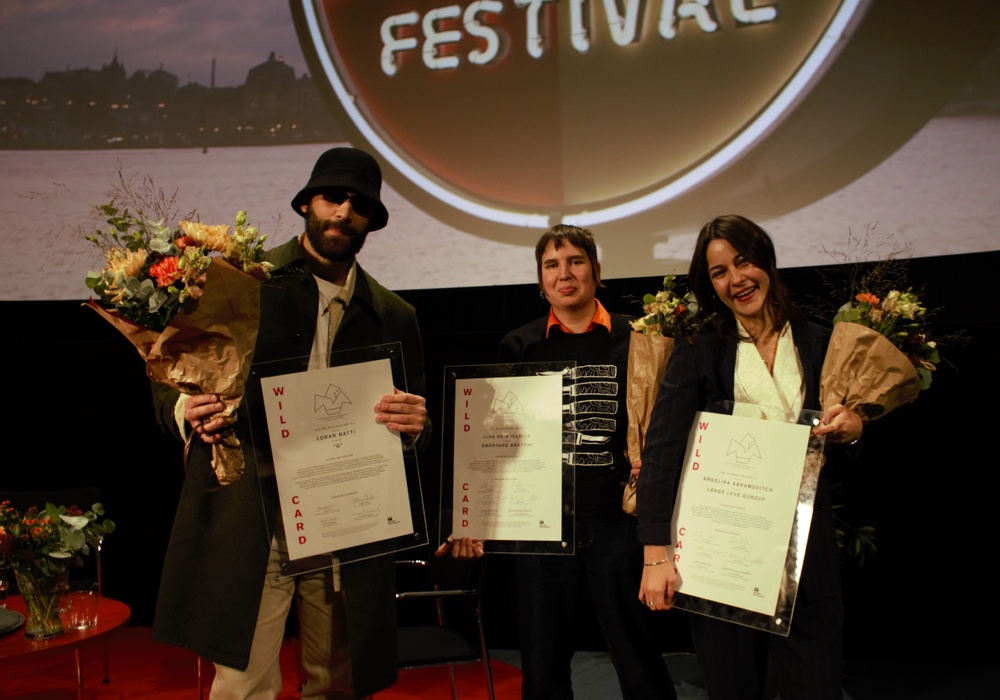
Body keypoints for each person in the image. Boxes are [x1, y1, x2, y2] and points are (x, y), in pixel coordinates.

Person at [151, 147, 429, 699]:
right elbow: (168, 372)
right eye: (333, 197)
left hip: (347, 517)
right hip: (256, 511)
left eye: (360, 205)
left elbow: (409, 425)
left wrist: (415, 425)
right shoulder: (246, 283)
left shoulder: (395, 315)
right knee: (243, 683)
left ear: (372, 220)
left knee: (337, 680)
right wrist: (186, 409)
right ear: (307, 202)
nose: (344, 212)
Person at [636, 215, 863, 700]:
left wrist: (855, 428)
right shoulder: (699, 348)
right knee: (733, 685)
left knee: (815, 684)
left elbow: (847, 428)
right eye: (719, 272)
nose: (736, 279)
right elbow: (662, 450)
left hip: (806, 546)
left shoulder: (820, 342)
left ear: (767, 260)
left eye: (743, 261)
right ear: (709, 284)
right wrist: (656, 553)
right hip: (721, 545)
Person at [470, 224, 676, 700]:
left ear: (596, 271)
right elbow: (495, 437)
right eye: (551, 265)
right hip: (541, 524)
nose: (565, 274)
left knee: (637, 651)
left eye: (575, 261)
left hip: (617, 522)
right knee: (541, 659)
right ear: (540, 279)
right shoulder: (519, 346)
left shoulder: (638, 337)